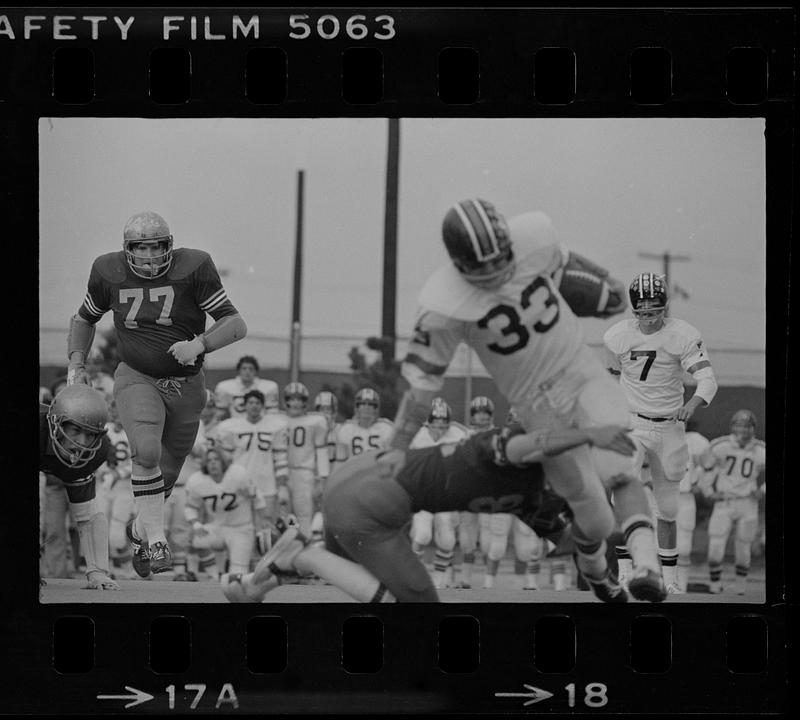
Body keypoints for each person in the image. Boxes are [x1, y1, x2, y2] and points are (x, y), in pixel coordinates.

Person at [381, 199, 666, 602]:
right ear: (460, 265)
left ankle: (646, 565)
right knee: (594, 517)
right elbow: (422, 386)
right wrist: (396, 446)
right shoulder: (443, 308)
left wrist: (606, 288)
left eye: (502, 260)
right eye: (483, 269)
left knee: (620, 471)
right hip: (539, 409)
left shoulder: (533, 241)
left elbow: (599, 284)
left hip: (581, 374)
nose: (497, 273)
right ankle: (595, 569)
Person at [221, 421, 636, 604]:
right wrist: (590, 434)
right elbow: (530, 445)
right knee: (419, 608)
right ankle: (304, 553)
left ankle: (253, 587)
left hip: (365, 483)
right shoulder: (517, 449)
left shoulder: (540, 498)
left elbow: (570, 542)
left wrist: (605, 534)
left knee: (349, 568)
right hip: (372, 497)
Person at [66, 210, 247, 577]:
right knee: (145, 451)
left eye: (156, 246)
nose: (149, 256)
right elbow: (85, 318)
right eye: (141, 248)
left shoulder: (194, 267)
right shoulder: (107, 271)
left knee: (164, 479)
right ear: (127, 250)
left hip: (187, 386)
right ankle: (158, 541)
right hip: (137, 376)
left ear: (170, 246)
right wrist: (77, 362)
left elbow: (235, 323)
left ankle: (139, 530)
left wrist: (200, 344)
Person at [603, 272, 718, 593]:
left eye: (654, 311)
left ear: (665, 307)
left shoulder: (683, 334)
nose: (649, 319)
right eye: (642, 312)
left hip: (669, 425)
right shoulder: (616, 336)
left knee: (667, 509)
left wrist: (694, 403)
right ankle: (625, 571)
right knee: (623, 491)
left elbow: (708, 380)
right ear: (633, 309)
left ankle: (669, 581)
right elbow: (611, 380)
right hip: (632, 423)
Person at [39, 385, 119, 590]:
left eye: (91, 434)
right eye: (75, 430)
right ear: (57, 424)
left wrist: (97, 572)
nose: (82, 443)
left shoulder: (98, 451)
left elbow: (87, 515)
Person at [701, 409, 765, 595]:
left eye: (747, 426)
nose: (743, 430)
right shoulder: (721, 445)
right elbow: (706, 468)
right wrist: (709, 491)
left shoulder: (760, 449)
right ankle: (714, 585)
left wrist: (761, 490)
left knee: (744, 545)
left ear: (753, 428)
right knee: (716, 544)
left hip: (747, 502)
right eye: (739, 425)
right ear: (732, 427)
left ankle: (740, 587)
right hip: (725, 501)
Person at [408, 398, 469, 588]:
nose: (440, 428)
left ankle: (439, 580)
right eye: (436, 423)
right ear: (428, 423)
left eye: (444, 424)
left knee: (448, 539)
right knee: (423, 535)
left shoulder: (458, 435)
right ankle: (412, 574)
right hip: (423, 494)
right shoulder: (417, 437)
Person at [184, 447, 269, 578]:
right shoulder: (198, 481)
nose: (212, 463)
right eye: (209, 460)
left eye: (216, 459)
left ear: (223, 461)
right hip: (218, 527)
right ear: (205, 464)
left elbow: (258, 499)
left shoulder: (238, 474)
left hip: (241, 529)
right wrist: (196, 525)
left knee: (237, 575)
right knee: (194, 540)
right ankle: (214, 576)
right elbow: (190, 507)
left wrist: (262, 523)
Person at [215, 389, 289, 525]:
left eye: (257, 403)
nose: (254, 406)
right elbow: (226, 459)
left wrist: (282, 486)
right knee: (241, 525)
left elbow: (280, 458)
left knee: (266, 525)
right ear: (245, 405)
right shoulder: (231, 426)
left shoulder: (275, 426)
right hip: (240, 483)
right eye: (251, 402)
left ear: (262, 406)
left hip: (266, 482)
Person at [282, 382, 330, 536]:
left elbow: (322, 452)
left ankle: (304, 547)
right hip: (281, 472)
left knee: (304, 515)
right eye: (292, 399)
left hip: (304, 472)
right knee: (282, 515)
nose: (295, 403)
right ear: (286, 401)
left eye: (299, 399)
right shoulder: (277, 420)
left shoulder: (315, 421)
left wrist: (322, 478)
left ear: (305, 402)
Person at [94, 397, 135, 578]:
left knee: (118, 528)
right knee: (101, 525)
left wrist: (121, 473)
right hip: (103, 484)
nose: (119, 414)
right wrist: (100, 471)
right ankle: (106, 567)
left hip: (124, 486)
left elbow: (140, 460)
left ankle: (129, 568)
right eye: (116, 410)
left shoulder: (134, 432)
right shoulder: (104, 431)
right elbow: (93, 455)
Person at [675, 423, 712, 592]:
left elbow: (710, 466)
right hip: (660, 496)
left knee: (683, 547)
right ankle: (662, 586)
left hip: (684, 497)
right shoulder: (653, 434)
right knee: (656, 546)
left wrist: (701, 483)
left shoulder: (695, 441)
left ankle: (680, 589)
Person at [214, 355, 280, 418]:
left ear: (256, 371)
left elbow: (272, 413)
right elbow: (219, 413)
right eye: (244, 368)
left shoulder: (268, 387)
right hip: (236, 425)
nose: (247, 372)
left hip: (260, 425)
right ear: (239, 370)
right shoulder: (225, 387)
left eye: (251, 369)